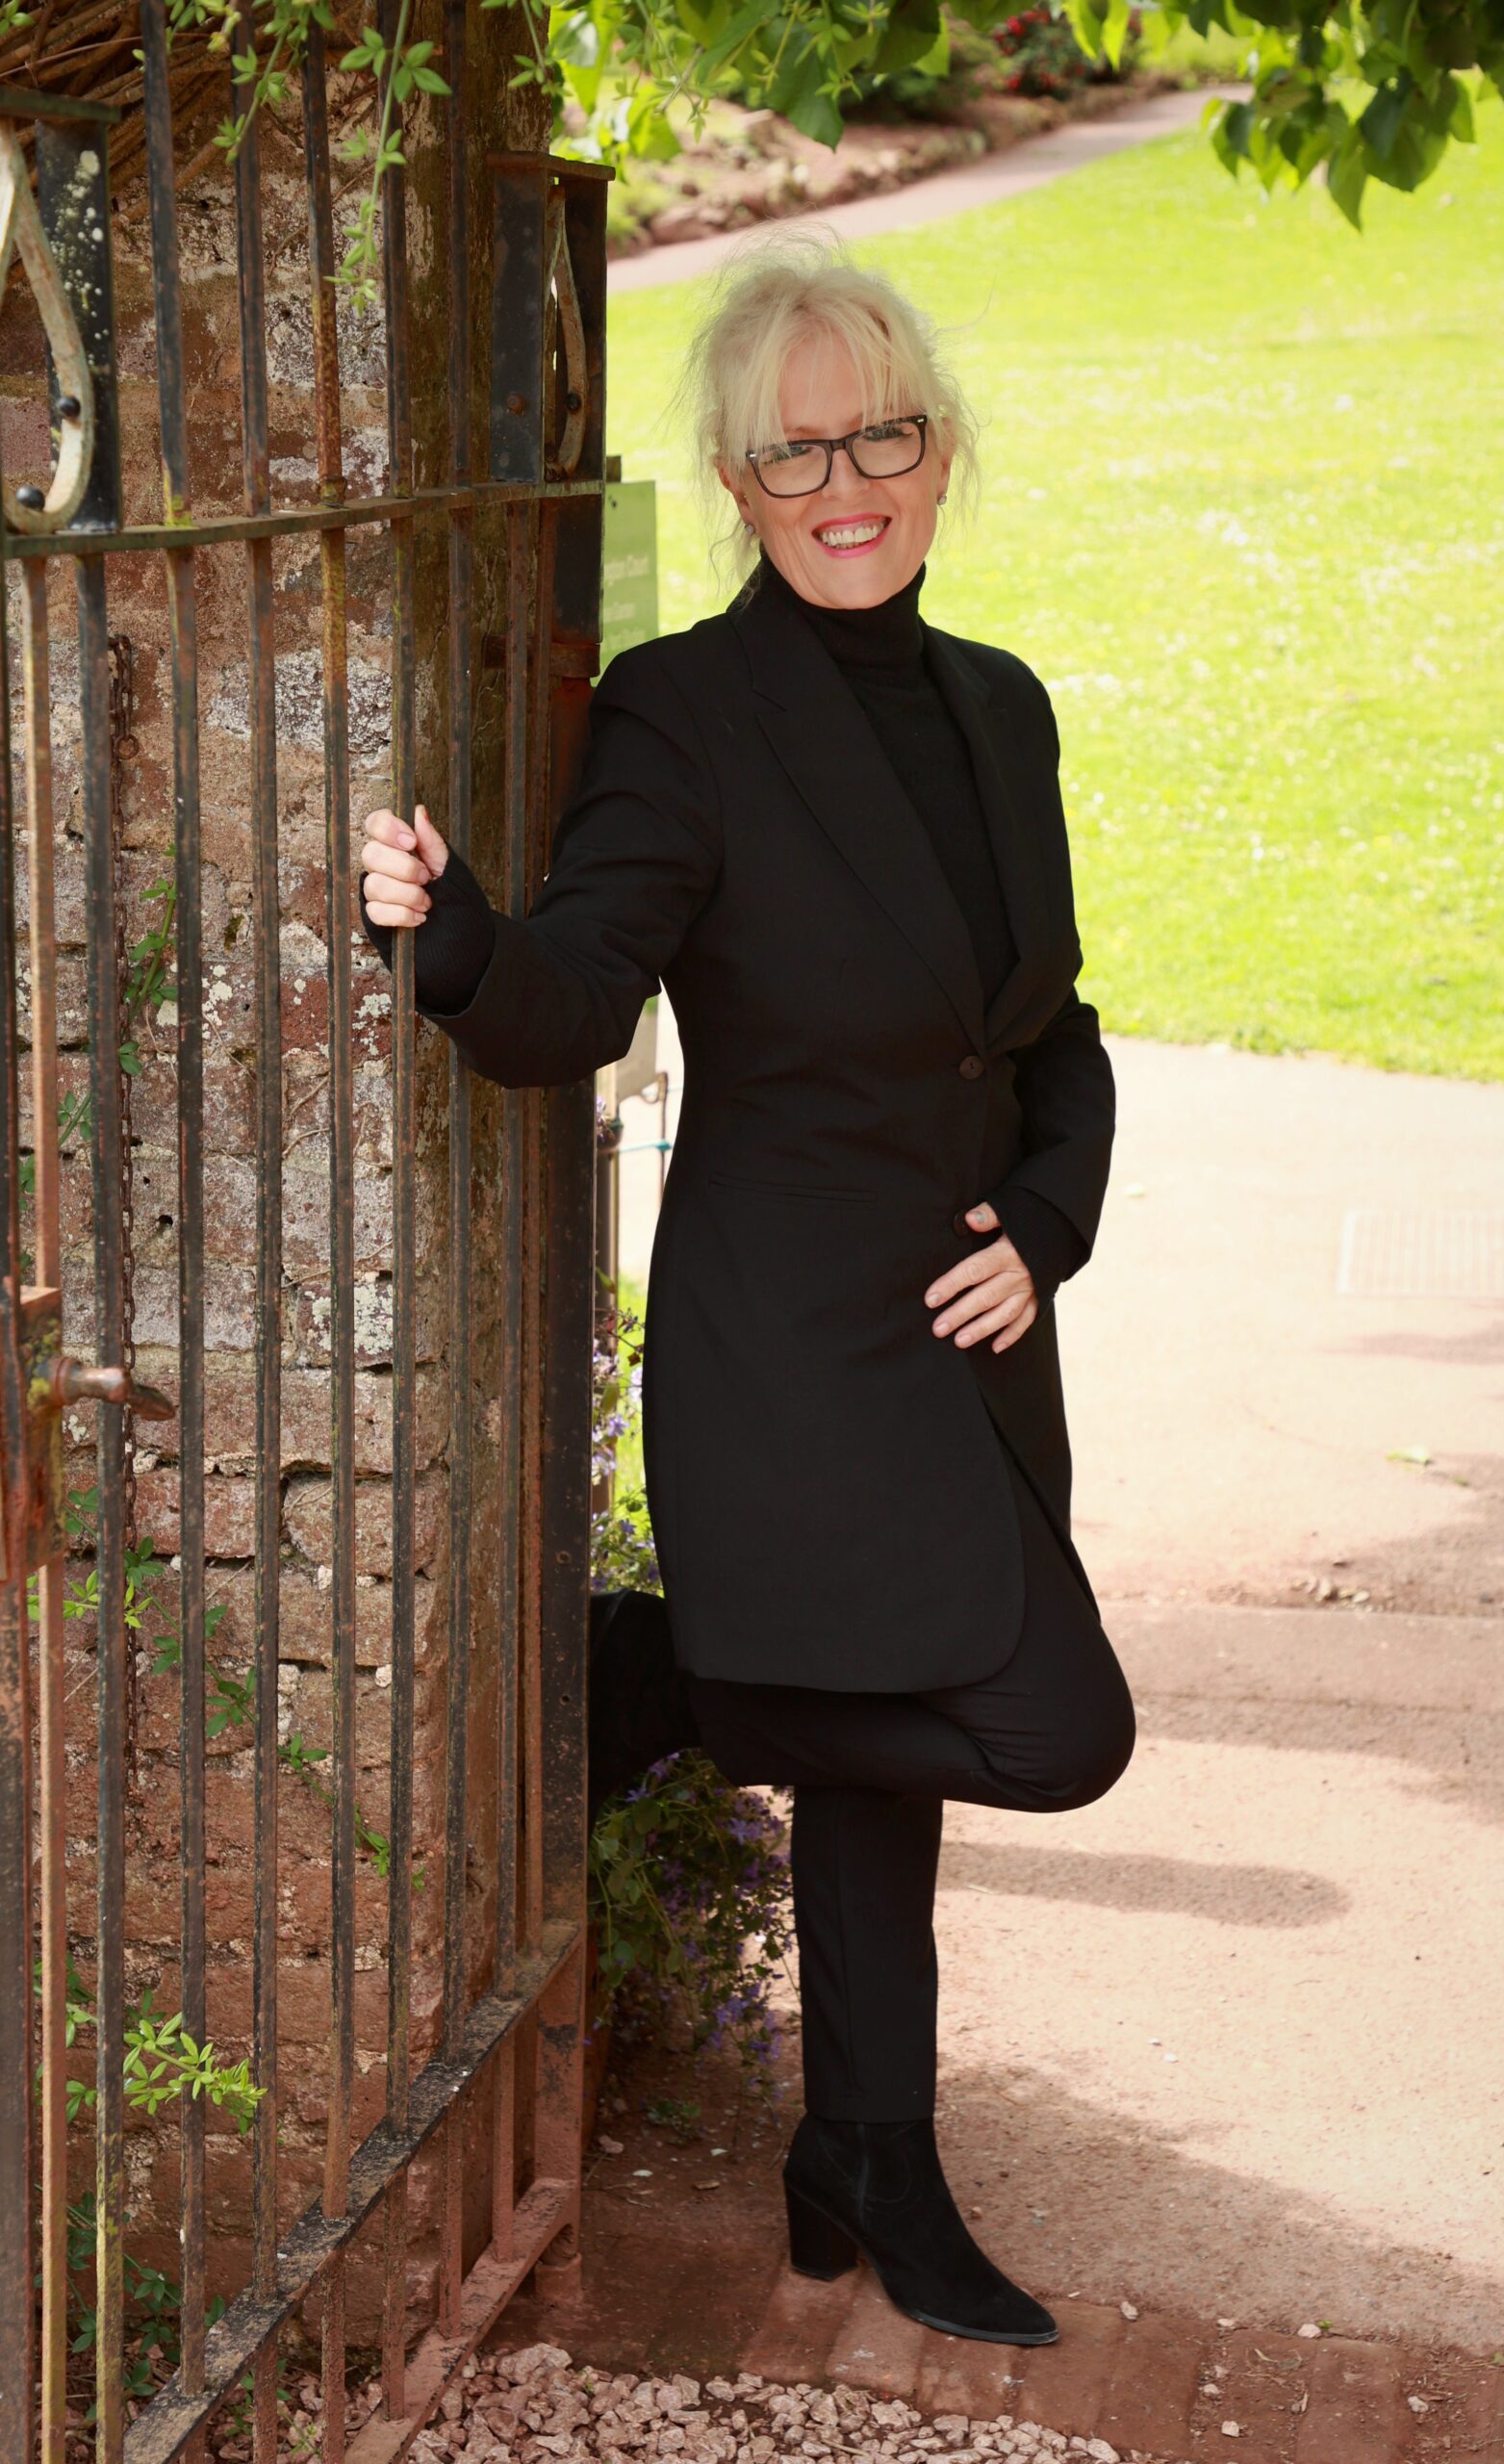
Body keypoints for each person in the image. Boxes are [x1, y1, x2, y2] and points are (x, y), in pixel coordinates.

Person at [359, 239, 1135, 2349]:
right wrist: (452, 937)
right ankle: (668, 1675)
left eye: (878, 430)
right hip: (788, 1353)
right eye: (794, 449)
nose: (844, 479)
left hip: (966, 1346)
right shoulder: (687, 713)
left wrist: (1042, 1228)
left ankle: (867, 2151)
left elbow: (1048, 1038)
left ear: (938, 451)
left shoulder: (999, 706)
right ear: (732, 475)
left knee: (893, 1773)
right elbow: (574, 997)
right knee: (1058, 1728)